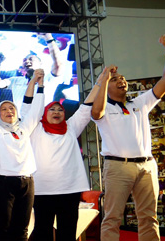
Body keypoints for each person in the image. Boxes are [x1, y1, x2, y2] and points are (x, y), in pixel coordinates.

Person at [91, 35, 165, 241]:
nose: (121, 80)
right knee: (112, 217)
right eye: (115, 79)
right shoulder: (103, 109)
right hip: (118, 167)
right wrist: (103, 78)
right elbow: (95, 111)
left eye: (122, 78)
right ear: (105, 86)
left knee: (149, 217)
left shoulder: (139, 103)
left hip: (147, 166)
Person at [23, 82, 100, 241]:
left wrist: (101, 81)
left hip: (69, 191)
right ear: (44, 113)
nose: (56, 112)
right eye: (52, 109)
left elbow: (86, 107)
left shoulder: (71, 128)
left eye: (60, 110)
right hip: (43, 190)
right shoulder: (35, 129)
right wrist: (34, 83)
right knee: (42, 232)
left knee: (68, 232)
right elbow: (27, 107)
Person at [0, 65, 45, 241]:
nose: (9, 111)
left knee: (22, 230)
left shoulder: (24, 128)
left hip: (27, 182)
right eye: (4, 109)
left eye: (12, 109)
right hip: (3, 184)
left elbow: (36, 111)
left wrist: (40, 86)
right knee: (5, 229)